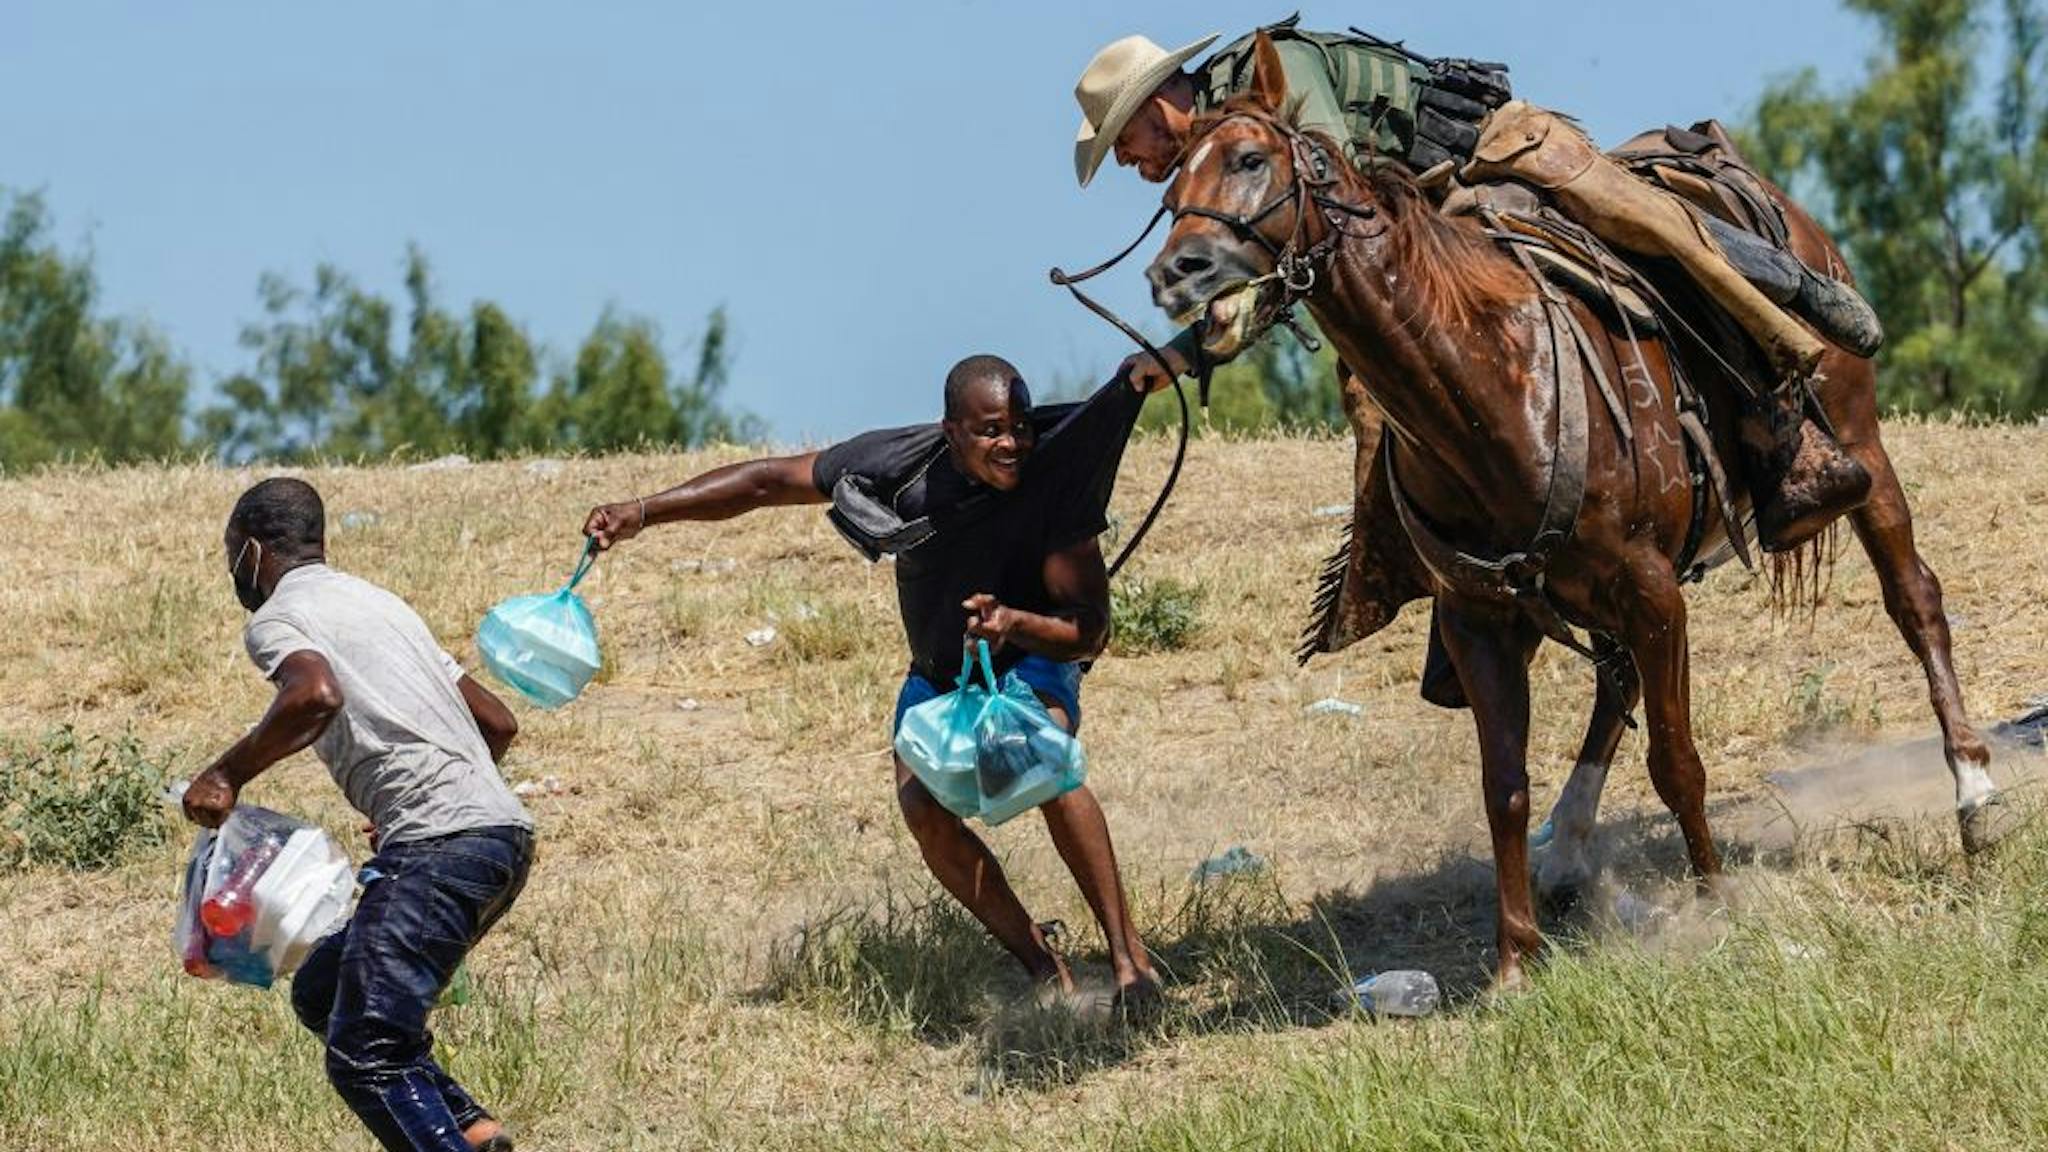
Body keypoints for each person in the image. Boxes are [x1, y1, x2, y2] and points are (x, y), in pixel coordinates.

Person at [1072, 16, 1881, 554]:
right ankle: (1439, 563)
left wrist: (1196, 340)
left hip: (1490, 158)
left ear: (1159, 103)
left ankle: (1787, 384)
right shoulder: (1219, 163)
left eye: (1125, 141)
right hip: (1421, 231)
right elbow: (1295, 259)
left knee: (1645, 233)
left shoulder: (1271, 81)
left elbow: (1326, 204)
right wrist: (1184, 351)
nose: (1129, 163)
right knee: (1381, 391)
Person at [582, 356, 1163, 1005]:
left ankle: (1129, 964)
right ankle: (1040, 966)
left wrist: (1014, 623)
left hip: (1029, 658)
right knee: (923, 810)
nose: (1012, 445)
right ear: (952, 431)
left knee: (1042, 762)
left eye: (1021, 427)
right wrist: (644, 511)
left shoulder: (1054, 485)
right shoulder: (897, 464)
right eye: (992, 430)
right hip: (940, 676)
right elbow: (768, 482)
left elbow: (1090, 632)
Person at [182, 477, 534, 1152]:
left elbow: (314, 695)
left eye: (232, 553)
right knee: (324, 990)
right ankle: (470, 1128)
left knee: (366, 1055)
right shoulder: (382, 604)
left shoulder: (279, 616)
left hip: (441, 844)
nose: (233, 570)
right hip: (501, 837)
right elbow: (497, 723)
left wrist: (225, 774)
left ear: (252, 550)